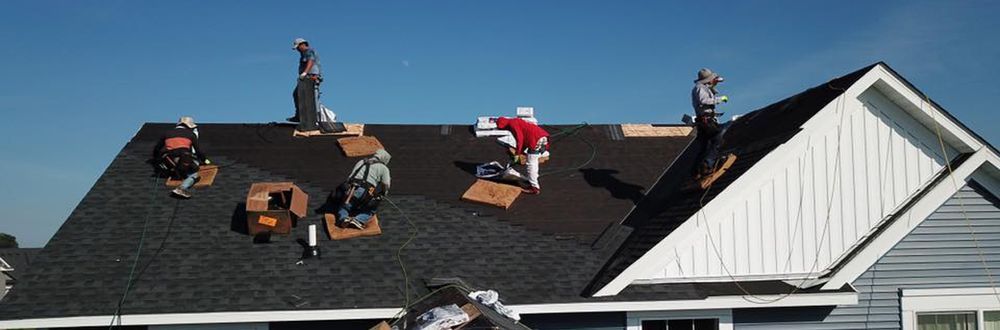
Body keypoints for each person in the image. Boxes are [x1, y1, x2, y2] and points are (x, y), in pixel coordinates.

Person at [154, 117, 210, 199]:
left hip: (168, 161)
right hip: (183, 160)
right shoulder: (191, 134)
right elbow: (198, 152)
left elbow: (157, 149)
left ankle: (176, 172)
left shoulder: (166, 133)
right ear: (189, 126)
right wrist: (205, 160)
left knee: (178, 166)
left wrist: (156, 160)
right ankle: (181, 189)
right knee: (194, 173)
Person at [337, 149, 392, 230]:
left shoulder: (362, 161)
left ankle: (344, 218)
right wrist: (383, 193)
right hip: (364, 191)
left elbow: (351, 176)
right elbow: (386, 184)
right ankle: (358, 220)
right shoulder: (384, 168)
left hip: (349, 189)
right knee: (370, 210)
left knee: (344, 207)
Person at [495, 117, 549, 195]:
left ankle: (534, 188)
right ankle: (533, 179)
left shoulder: (512, 124)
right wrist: (520, 152)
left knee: (531, 164)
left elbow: (520, 139)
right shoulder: (517, 121)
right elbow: (524, 139)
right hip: (542, 137)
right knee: (534, 161)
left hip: (535, 139)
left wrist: (517, 154)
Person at [691, 68, 729, 177]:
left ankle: (695, 172)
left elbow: (710, 90)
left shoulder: (703, 88)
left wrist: (714, 85)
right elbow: (703, 101)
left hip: (704, 121)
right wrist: (720, 99)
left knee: (704, 147)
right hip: (706, 121)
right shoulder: (700, 88)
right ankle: (707, 164)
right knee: (718, 137)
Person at [289, 37, 323, 133]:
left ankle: (314, 120)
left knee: (312, 98)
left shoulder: (309, 51)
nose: (298, 50)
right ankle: (299, 115)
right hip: (305, 78)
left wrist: (305, 73)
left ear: (303, 44)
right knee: (296, 94)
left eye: (298, 47)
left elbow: (311, 61)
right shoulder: (303, 54)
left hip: (311, 77)